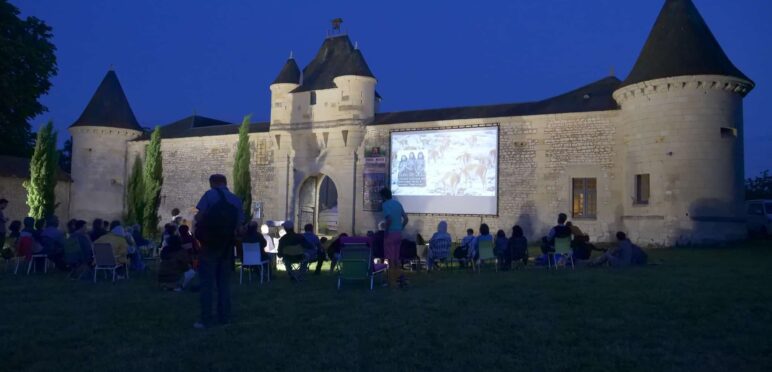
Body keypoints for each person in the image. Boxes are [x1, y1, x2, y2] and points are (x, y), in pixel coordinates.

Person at [193, 174, 243, 329]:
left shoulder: (209, 196)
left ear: (212, 183)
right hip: (227, 246)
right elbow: (239, 226)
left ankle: (206, 319)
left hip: (209, 245)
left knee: (207, 284)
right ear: (226, 183)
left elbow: (199, 217)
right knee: (224, 284)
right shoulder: (236, 200)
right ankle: (225, 317)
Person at [380, 187, 408, 288]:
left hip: (390, 234)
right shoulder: (398, 204)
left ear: (383, 196)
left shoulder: (385, 205)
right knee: (396, 258)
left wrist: (386, 231)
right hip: (398, 234)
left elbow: (389, 219)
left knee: (390, 259)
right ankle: (400, 278)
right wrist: (400, 228)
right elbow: (406, 219)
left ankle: (392, 282)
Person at [158, 224, 189, 290]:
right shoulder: (181, 252)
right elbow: (185, 267)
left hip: (161, 278)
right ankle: (176, 286)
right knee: (192, 273)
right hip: (175, 277)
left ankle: (167, 285)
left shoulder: (164, 250)